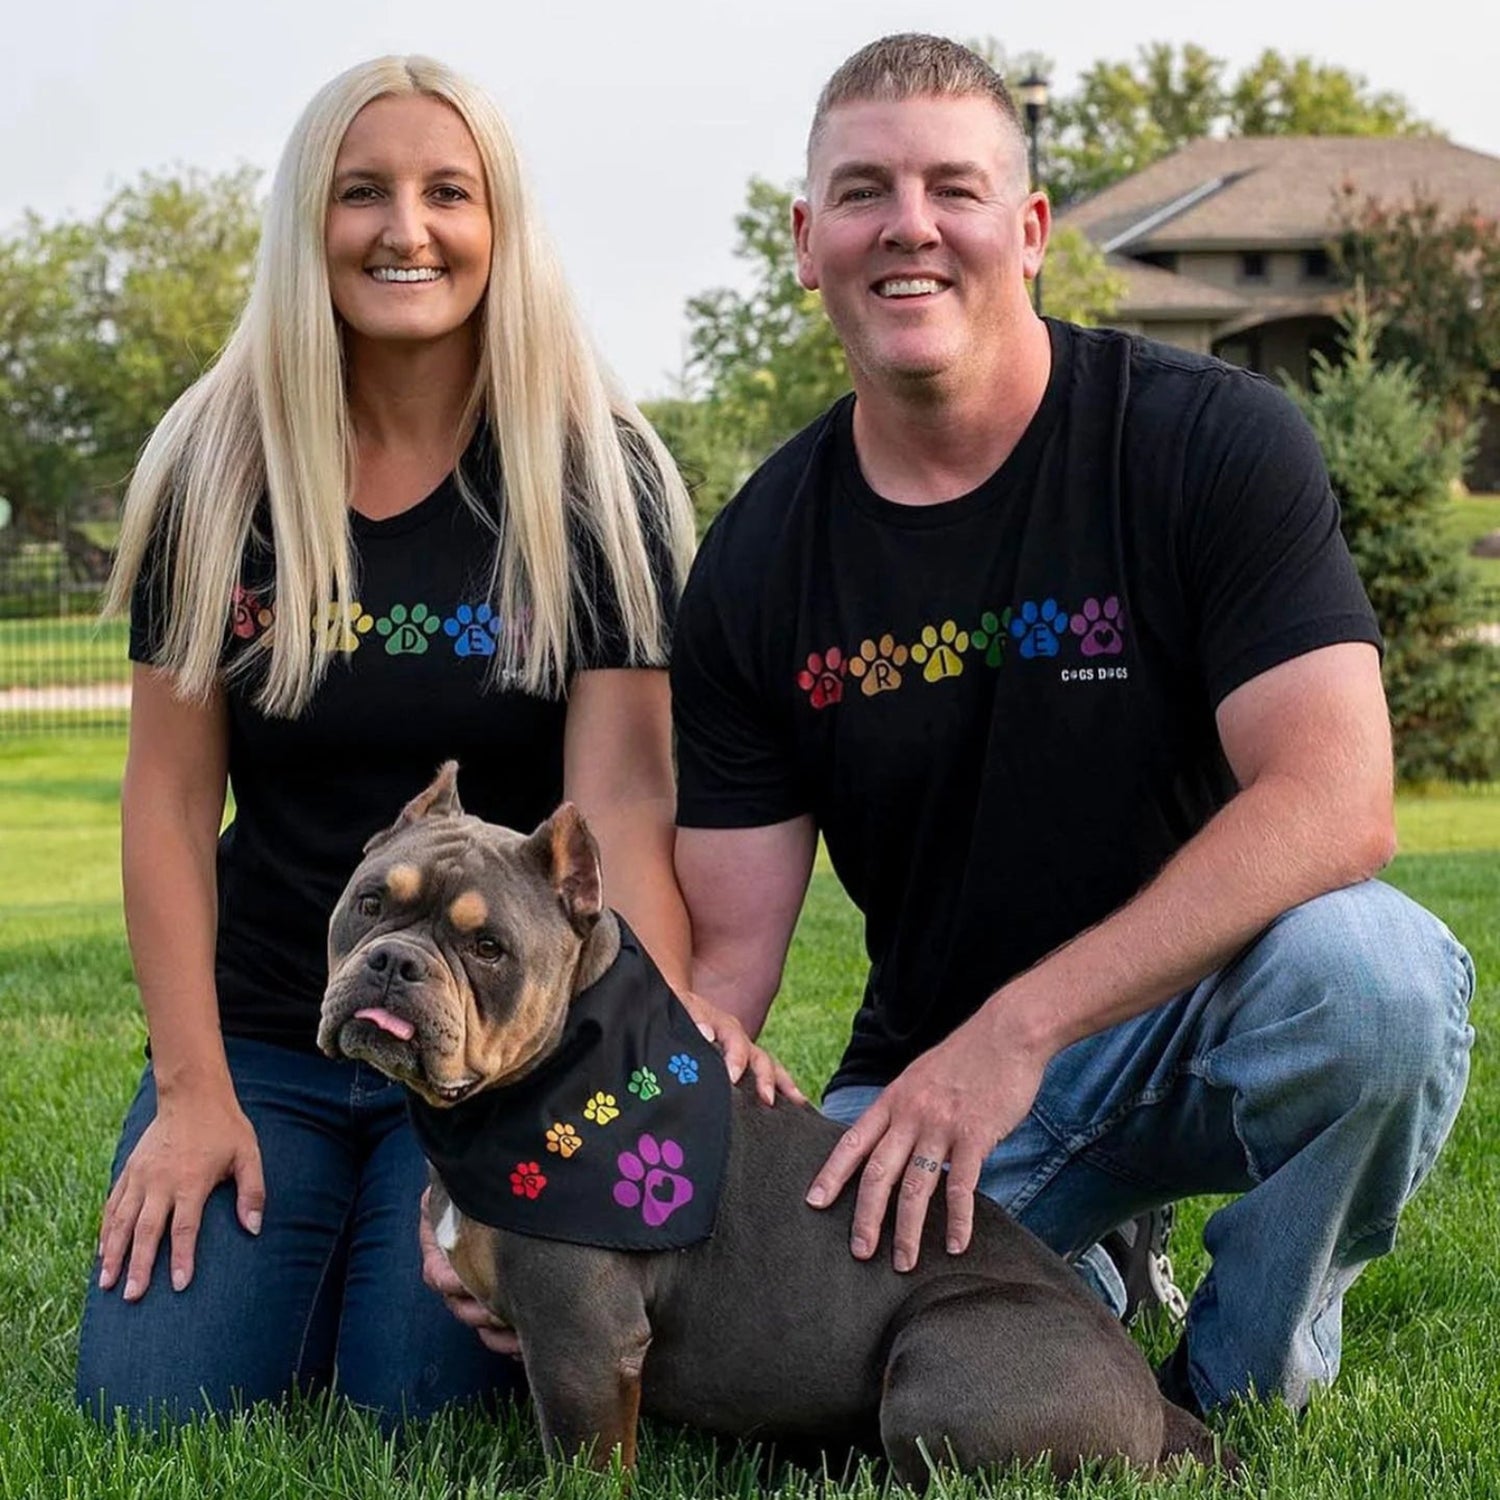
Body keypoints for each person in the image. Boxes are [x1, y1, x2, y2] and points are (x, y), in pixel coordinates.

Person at [669, 33, 1475, 1418]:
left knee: (1381, 978)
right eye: (863, 191)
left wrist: (1020, 1032)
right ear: (806, 241)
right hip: (931, 1084)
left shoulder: (1204, 442)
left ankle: (1242, 1384)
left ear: (1030, 230)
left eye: (954, 188)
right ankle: (1076, 1271)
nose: (909, 226)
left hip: (1203, 1016)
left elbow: (1339, 797)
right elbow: (725, 966)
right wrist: (594, 1170)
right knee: (816, 1371)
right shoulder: (758, 560)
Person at [78, 54, 705, 1426]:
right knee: (154, 1402)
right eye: (363, 193)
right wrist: (192, 1094)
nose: (404, 230)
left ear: (501, 224)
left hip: (507, 1054)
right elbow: (170, 808)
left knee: (416, 1409)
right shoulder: (216, 468)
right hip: (271, 1041)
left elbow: (621, 816)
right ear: (312, 220)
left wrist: (629, 1099)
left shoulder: (600, 475)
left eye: (447, 193)